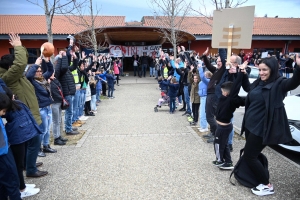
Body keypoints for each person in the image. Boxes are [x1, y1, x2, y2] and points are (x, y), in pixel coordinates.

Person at [241, 55, 300, 196]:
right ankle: (256, 176)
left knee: (250, 156)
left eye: (264, 70)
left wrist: (298, 67)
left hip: (261, 128)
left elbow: (293, 83)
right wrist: (243, 75)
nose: (261, 73)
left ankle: (267, 185)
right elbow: (248, 89)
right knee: (253, 154)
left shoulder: (279, 84)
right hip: (250, 125)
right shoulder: (258, 82)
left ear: (273, 69)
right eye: (260, 69)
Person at [0, 33, 47, 178]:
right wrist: (18, 47)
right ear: (10, 67)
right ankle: (31, 169)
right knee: (34, 141)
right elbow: (20, 64)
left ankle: (28, 164)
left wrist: (22, 49)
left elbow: (21, 64)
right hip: (25, 116)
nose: (18, 67)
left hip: (30, 114)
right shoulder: (8, 77)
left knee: (30, 144)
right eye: (13, 65)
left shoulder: (17, 76)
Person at [2, 87, 41, 198]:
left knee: (19, 163)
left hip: (19, 136)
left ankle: (21, 185)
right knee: (18, 164)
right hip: (17, 138)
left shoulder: (14, 105)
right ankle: (22, 188)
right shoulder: (11, 107)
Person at [212, 61, 248, 170]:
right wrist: (232, 72)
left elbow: (235, 88)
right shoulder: (225, 97)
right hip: (222, 126)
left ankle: (220, 160)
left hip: (224, 127)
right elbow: (231, 84)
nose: (222, 92)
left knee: (218, 144)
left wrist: (241, 72)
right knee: (225, 144)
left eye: (223, 91)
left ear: (227, 93)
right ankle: (228, 162)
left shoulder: (231, 99)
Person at [0, 93, 22, 200]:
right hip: (3, 155)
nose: (3, 114)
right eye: (3, 111)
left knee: (2, 186)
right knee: (12, 183)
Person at [49, 70, 68, 145]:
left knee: (59, 120)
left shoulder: (55, 80)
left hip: (59, 102)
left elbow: (60, 89)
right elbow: (54, 92)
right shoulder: (49, 82)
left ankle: (59, 136)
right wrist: (61, 98)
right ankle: (56, 138)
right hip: (55, 102)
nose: (52, 74)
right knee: (55, 121)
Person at [198, 66, 212, 132]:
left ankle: (204, 127)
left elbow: (202, 77)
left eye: (205, 74)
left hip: (205, 97)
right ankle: (202, 126)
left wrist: (200, 69)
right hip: (202, 97)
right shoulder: (204, 81)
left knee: (203, 113)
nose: (204, 75)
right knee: (201, 112)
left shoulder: (208, 81)